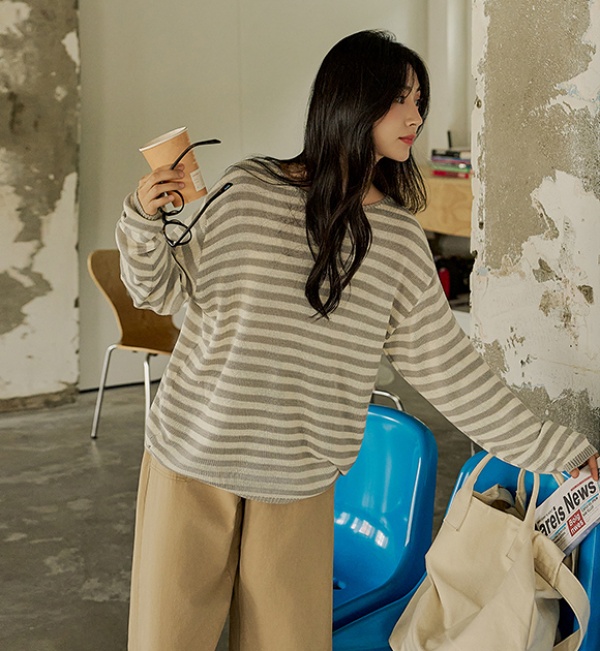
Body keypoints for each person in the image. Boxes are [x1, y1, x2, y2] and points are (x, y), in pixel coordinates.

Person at [116, 30, 598, 651]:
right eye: (400, 99)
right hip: (191, 460)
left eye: (419, 101)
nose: (416, 117)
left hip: (298, 481)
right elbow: (161, 291)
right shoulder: (246, 191)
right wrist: (142, 220)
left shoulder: (396, 242)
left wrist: (556, 449)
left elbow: (452, 371)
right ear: (351, 100)